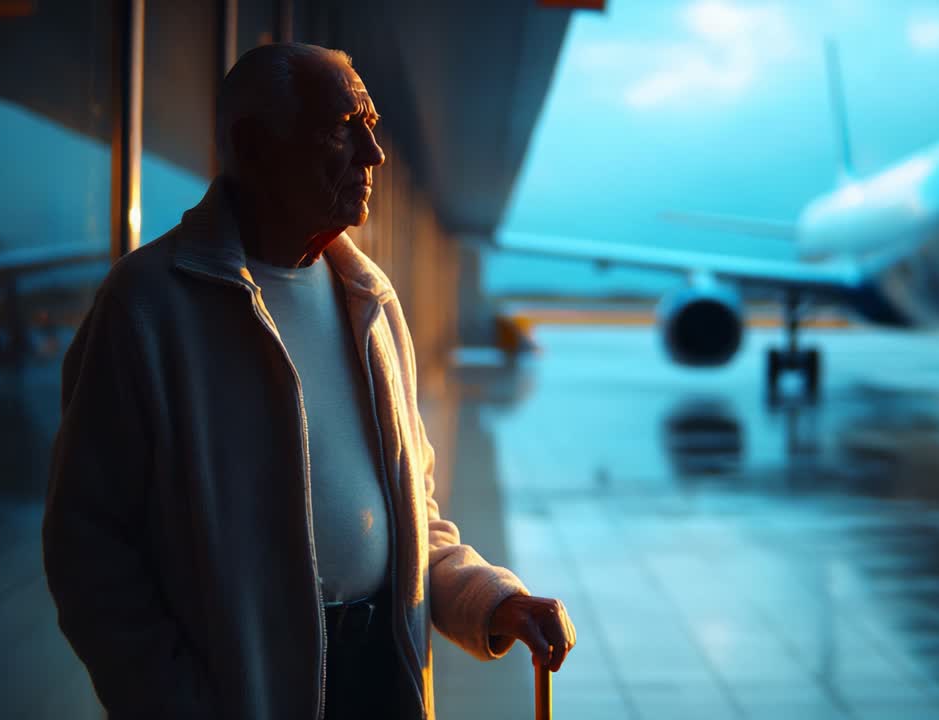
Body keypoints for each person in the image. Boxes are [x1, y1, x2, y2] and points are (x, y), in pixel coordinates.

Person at [42, 42, 576, 720]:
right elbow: (87, 548)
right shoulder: (150, 306)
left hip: (383, 674)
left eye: (373, 125)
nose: (374, 154)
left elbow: (416, 518)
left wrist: (493, 601)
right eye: (343, 128)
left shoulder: (368, 298)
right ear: (254, 145)